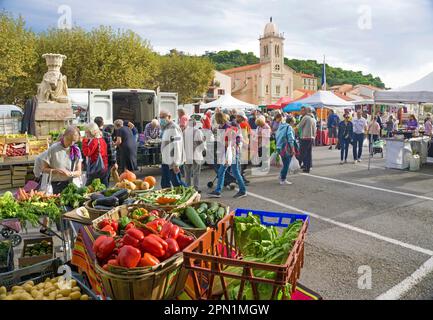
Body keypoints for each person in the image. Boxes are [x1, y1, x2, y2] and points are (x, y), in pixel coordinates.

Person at [208, 113, 247, 199]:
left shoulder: (228, 127)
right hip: (228, 152)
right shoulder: (222, 127)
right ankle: (218, 191)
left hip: (231, 152)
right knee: (222, 171)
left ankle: (243, 190)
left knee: (234, 171)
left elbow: (228, 143)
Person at [40, 126, 83, 194]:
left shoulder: (76, 150)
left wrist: (70, 174)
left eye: (74, 141)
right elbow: (44, 169)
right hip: (57, 185)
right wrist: (56, 171)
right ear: (63, 136)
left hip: (72, 185)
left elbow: (79, 172)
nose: (71, 143)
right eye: (69, 139)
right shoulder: (53, 149)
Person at [159, 110, 186, 188]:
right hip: (166, 160)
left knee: (176, 182)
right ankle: (167, 198)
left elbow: (177, 145)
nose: (161, 119)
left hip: (172, 161)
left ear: (169, 117)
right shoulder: (166, 127)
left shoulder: (173, 128)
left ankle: (192, 193)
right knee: (165, 183)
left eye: (163, 117)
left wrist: (176, 163)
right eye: (160, 117)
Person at [183, 118, 206, 192]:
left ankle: (187, 188)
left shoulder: (184, 132)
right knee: (196, 172)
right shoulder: (197, 131)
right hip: (196, 155)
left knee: (187, 173)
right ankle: (195, 189)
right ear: (195, 124)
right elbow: (200, 143)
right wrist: (204, 149)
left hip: (187, 155)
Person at [94, 117, 117, 186]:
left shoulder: (91, 135)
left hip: (94, 162)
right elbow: (110, 150)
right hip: (105, 161)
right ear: (102, 123)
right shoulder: (106, 135)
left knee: (95, 182)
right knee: (105, 180)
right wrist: (114, 162)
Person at [276, 116, 296, 185]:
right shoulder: (289, 127)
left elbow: (277, 136)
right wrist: (293, 149)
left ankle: (281, 176)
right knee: (286, 164)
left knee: (285, 163)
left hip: (279, 147)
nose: (294, 124)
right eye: (293, 122)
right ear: (291, 122)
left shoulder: (281, 126)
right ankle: (283, 179)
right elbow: (290, 139)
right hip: (286, 147)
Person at [297, 107, 316, 173]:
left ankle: (296, 166)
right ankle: (307, 167)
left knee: (301, 153)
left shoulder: (306, 117)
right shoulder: (313, 118)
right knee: (308, 153)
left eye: (302, 111)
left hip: (305, 137)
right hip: (311, 138)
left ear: (306, 111)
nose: (301, 112)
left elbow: (299, 126)